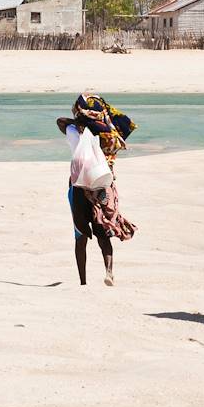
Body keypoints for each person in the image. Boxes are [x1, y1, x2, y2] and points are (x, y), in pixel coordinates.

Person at [56, 93, 137, 286]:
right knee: (103, 231)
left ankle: (83, 282)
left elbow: (59, 122)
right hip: (103, 185)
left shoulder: (73, 130)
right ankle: (109, 272)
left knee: (80, 236)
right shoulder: (110, 134)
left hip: (79, 187)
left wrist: (79, 120)